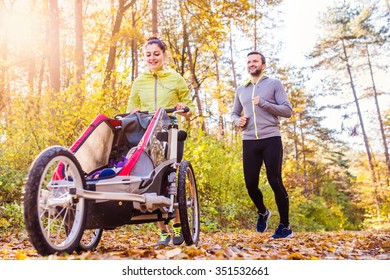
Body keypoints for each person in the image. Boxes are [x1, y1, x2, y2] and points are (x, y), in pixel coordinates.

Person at [127, 37, 195, 246]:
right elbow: (131, 110)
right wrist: (134, 112)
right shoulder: (139, 81)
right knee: (150, 181)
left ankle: (177, 226)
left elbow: (189, 110)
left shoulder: (175, 79)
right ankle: (163, 231)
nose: (152, 58)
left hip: (170, 132)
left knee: (170, 179)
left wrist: (184, 108)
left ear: (164, 55)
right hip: (147, 135)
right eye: (148, 55)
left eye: (156, 54)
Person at [230, 51, 293, 239]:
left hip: (271, 138)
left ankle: (285, 226)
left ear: (263, 65)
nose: (251, 64)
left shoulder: (274, 84)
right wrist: (237, 121)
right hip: (249, 140)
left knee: (275, 181)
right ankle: (263, 212)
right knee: (250, 184)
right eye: (249, 61)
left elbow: (287, 111)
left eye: (255, 61)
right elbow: (233, 113)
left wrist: (264, 103)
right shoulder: (242, 89)